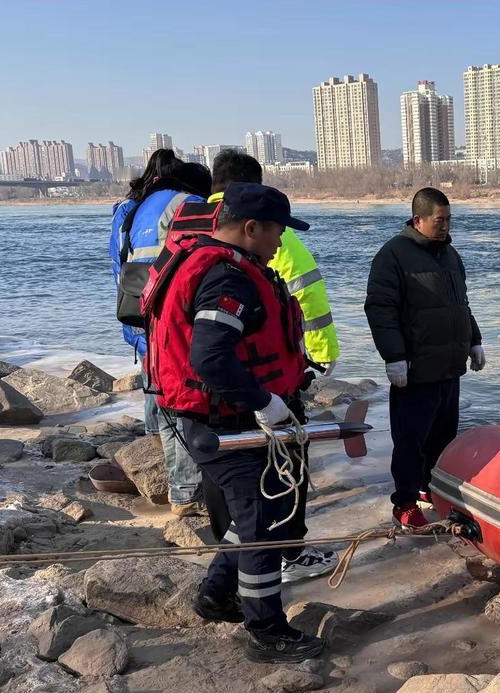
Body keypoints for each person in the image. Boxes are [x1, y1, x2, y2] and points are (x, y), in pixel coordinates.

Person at [145, 182, 324, 662]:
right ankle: (267, 630)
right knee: (262, 523)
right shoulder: (229, 279)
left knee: (254, 515)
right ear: (251, 228)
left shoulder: (213, 262)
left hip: (213, 416)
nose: (281, 241)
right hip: (226, 421)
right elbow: (210, 357)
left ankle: (216, 594)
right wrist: (264, 401)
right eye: (278, 231)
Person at [192, 150, 340, 584]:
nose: (279, 240)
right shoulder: (246, 250)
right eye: (277, 231)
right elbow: (307, 295)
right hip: (254, 388)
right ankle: (280, 564)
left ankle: (224, 584)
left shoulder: (188, 229)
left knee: (235, 497)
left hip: (198, 398)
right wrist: (318, 359)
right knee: (275, 490)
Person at [364, 187, 484, 528]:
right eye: (439, 220)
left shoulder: (450, 255)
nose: (445, 226)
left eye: (449, 220)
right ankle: (404, 503)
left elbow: (461, 305)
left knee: (443, 438)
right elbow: (380, 309)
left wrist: (474, 341)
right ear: (418, 220)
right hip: (415, 371)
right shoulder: (393, 255)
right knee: (410, 441)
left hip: (449, 368)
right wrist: (394, 356)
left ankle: (432, 489)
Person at [109, 150, 212, 515]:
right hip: (175, 317)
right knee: (187, 402)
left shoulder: (131, 208)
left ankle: (168, 474)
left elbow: (118, 264)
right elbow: (205, 260)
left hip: (139, 313)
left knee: (161, 396)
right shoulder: (190, 203)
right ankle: (187, 494)